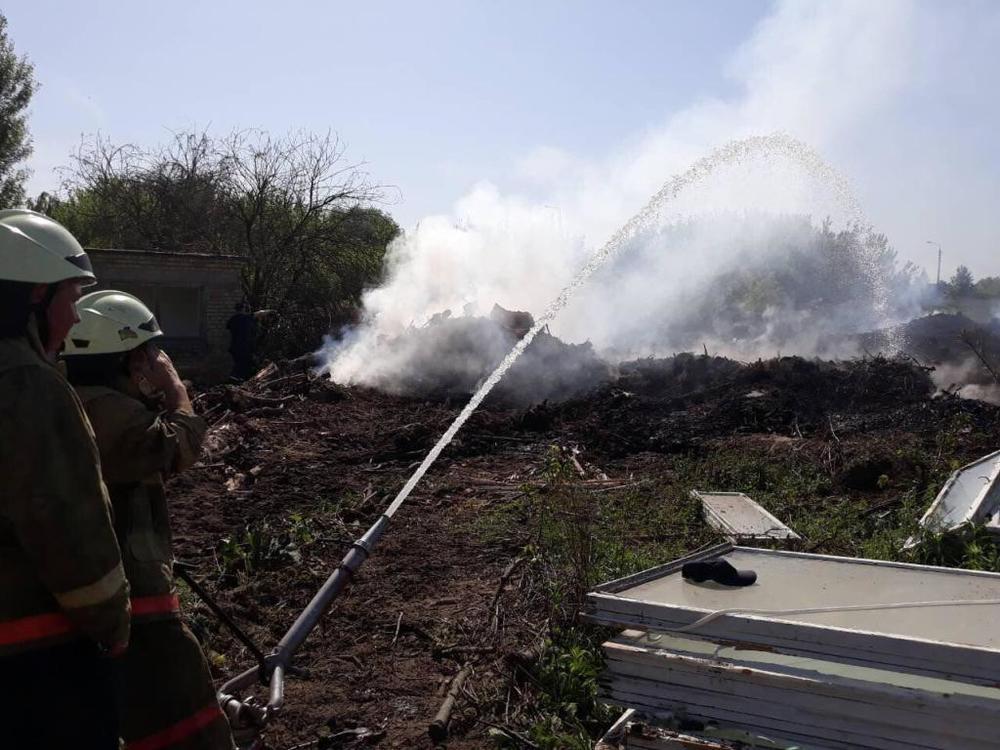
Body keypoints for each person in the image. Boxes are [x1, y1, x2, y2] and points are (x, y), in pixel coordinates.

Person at [63, 289, 235, 750]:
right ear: (131, 360)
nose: (154, 363)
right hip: (132, 599)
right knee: (178, 704)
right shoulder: (108, 411)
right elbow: (176, 447)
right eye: (147, 355)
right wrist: (177, 392)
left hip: (93, 594)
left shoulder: (75, 396)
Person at [0, 209, 131, 749]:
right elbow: (67, 526)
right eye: (72, 297)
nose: (77, 319)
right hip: (33, 663)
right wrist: (111, 623)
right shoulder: (28, 385)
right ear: (36, 296)